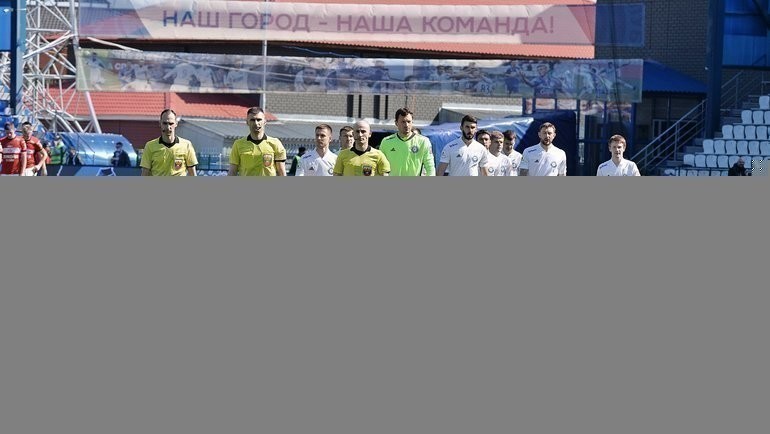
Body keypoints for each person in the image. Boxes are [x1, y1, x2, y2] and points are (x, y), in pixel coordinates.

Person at [228, 106, 287, 176]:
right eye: (252, 120)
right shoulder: (238, 144)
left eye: (259, 120)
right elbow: (232, 171)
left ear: (265, 121)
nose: (256, 123)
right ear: (247, 122)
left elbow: (281, 171)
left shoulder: (275, 143)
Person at [379, 107, 435, 176]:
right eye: (403, 122)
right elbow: (379, 166)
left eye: (409, 122)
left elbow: (430, 168)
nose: (406, 125)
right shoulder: (386, 142)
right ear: (396, 123)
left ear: (412, 122)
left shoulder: (423, 141)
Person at [141, 109, 198, 176]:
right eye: (165, 123)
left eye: (171, 123)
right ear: (160, 123)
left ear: (176, 124)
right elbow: (145, 174)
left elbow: (193, 174)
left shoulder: (186, 145)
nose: (168, 127)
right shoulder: (150, 146)